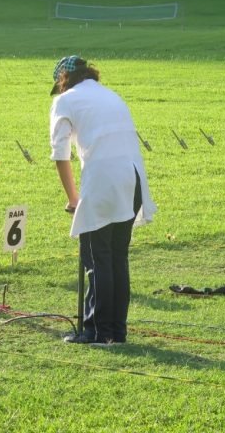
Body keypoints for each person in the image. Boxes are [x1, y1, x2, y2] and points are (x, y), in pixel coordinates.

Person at [49, 55, 156, 345]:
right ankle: (116, 332)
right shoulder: (111, 95)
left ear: (63, 80)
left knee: (97, 258)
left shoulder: (65, 100)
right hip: (132, 180)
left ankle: (96, 331)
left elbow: (60, 154)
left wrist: (73, 198)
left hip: (104, 180)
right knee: (117, 258)